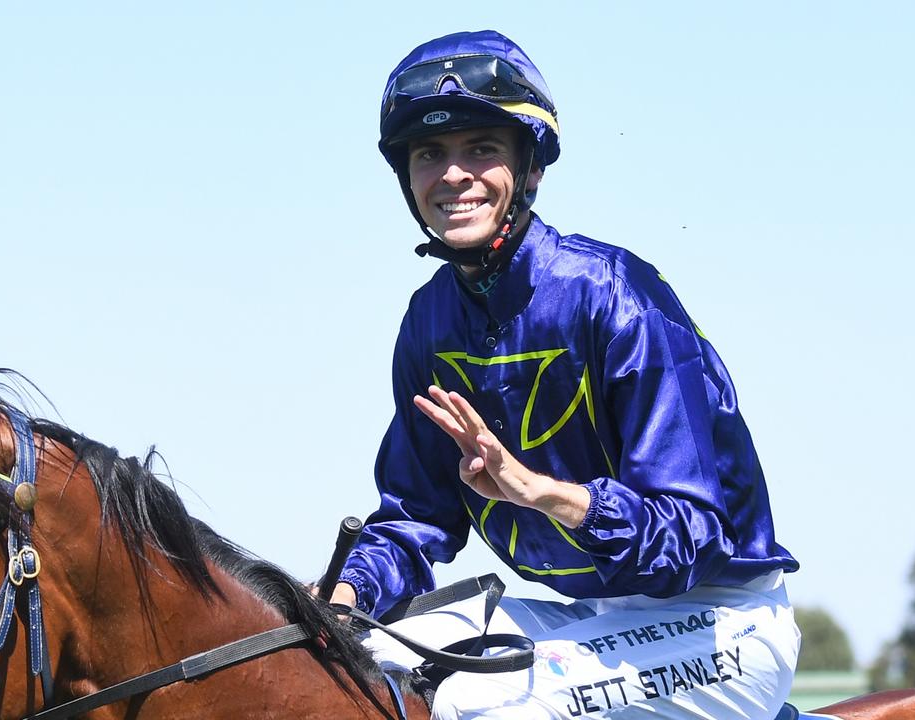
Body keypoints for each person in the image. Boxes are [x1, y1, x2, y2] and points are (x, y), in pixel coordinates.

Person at [331, 29, 801, 720]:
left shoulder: (617, 295)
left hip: (724, 624)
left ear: (532, 169)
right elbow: (416, 517)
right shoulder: (428, 324)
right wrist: (341, 601)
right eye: (430, 153)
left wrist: (541, 492)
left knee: (481, 702)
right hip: (590, 620)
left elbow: (693, 535)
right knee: (366, 662)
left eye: (481, 148)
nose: (453, 174)